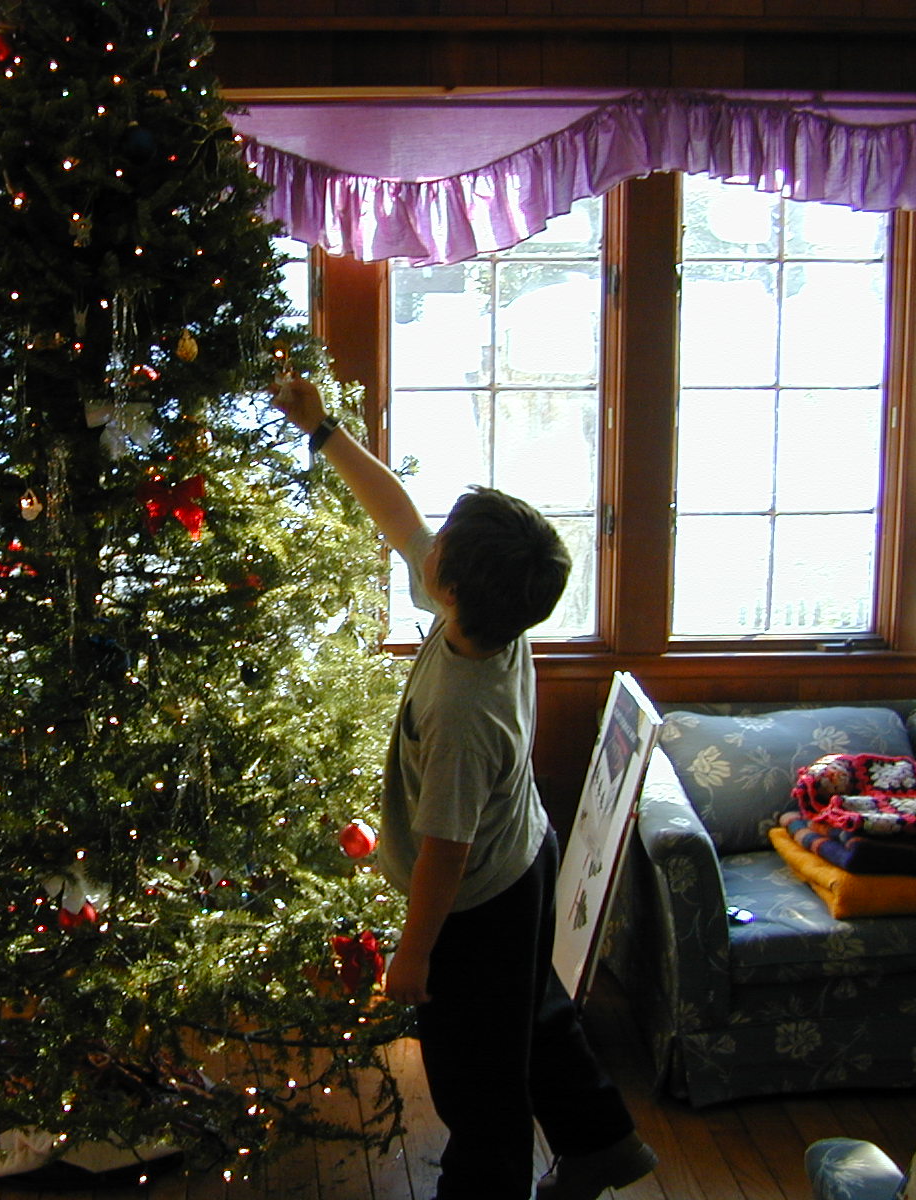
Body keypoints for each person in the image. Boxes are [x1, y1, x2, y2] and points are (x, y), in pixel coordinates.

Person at [273, 375, 656, 1200]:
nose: (430, 539)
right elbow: (400, 518)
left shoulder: (460, 712)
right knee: (535, 1016)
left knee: (475, 1075)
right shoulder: (487, 619)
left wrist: (415, 951)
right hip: (525, 857)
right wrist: (324, 430)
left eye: (443, 539)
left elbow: (444, 852)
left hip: (476, 907)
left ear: (450, 586)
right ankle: (603, 1144)